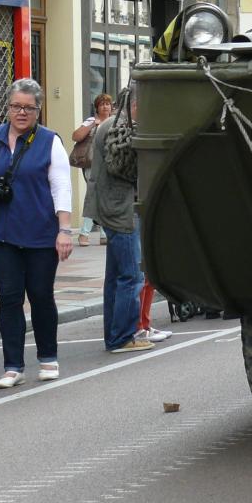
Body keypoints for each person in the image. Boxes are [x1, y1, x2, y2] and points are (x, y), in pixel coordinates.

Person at [0, 79, 74, 390]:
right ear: (8, 107)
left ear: (39, 110)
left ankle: (48, 358)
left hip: (41, 232)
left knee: (40, 296)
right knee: (8, 299)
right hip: (2, 234)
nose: (21, 112)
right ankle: (12, 366)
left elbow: (61, 187)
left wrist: (64, 230)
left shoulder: (49, 141)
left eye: (28, 107)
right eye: (16, 106)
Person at [90, 88, 162, 353]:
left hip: (112, 207)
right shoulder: (120, 128)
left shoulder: (111, 124)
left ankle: (114, 334)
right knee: (132, 275)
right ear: (135, 105)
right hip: (120, 209)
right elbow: (125, 169)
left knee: (116, 276)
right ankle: (122, 336)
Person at [72, 93, 113, 247]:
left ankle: (103, 235)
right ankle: (84, 233)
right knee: (93, 195)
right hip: (92, 164)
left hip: (109, 164)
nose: (105, 106)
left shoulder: (115, 121)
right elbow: (76, 136)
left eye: (107, 103)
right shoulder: (91, 121)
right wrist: (92, 125)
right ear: (97, 107)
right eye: (102, 104)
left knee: (101, 197)